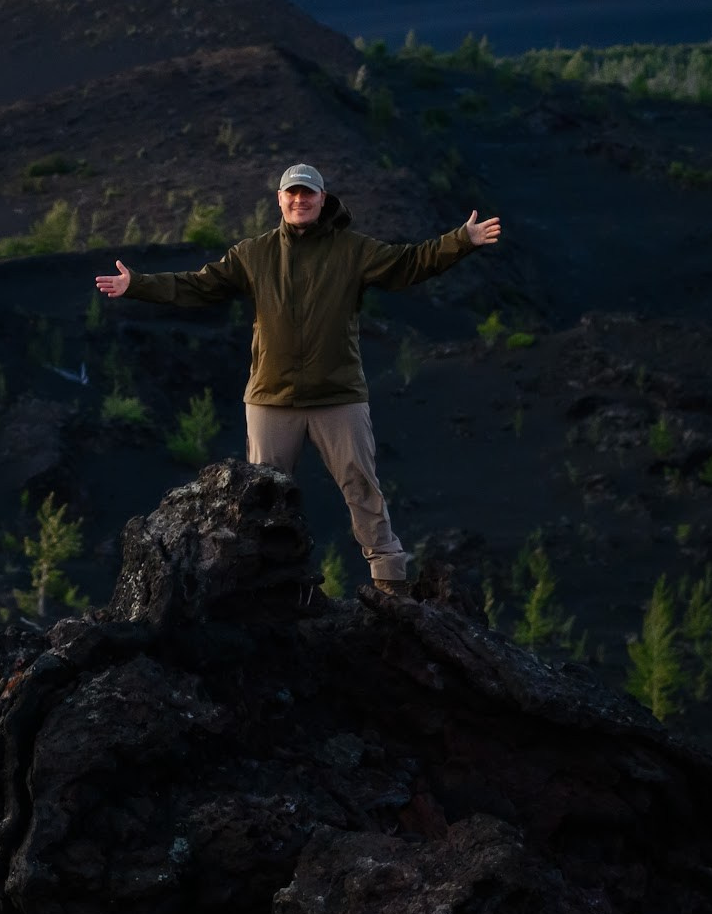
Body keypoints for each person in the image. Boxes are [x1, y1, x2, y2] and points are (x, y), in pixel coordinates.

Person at [94, 164, 502, 595]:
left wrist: (462, 241)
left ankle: (390, 581)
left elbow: (409, 264)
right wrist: (136, 284)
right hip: (271, 398)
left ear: (323, 199)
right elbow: (199, 285)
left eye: (308, 194)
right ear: (279, 199)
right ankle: (266, 587)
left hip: (338, 395)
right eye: (292, 194)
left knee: (361, 487)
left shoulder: (353, 250)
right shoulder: (254, 253)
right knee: (260, 500)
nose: (299, 200)